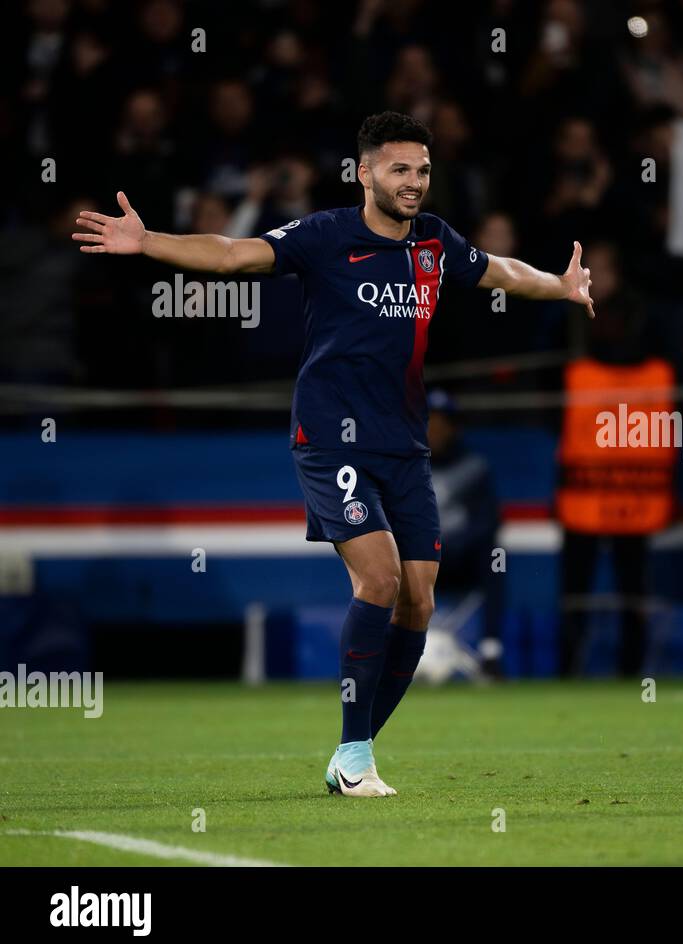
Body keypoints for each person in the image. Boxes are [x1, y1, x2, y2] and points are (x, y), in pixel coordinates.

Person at [73, 111, 594, 797]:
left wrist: (558, 283)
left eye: (423, 171)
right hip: (330, 437)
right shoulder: (324, 236)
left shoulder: (434, 243)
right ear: (365, 173)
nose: (414, 183)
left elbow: (497, 271)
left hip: (404, 446)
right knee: (377, 580)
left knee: (419, 600)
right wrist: (148, 244)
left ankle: (355, 749)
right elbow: (232, 255)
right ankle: (354, 756)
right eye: (400, 169)